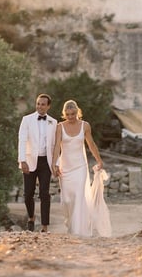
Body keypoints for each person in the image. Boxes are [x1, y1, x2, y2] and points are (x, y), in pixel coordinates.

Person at [52, 99, 111, 237]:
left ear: (78, 112)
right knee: (67, 200)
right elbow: (56, 146)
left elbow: (91, 144)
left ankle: (77, 231)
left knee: (79, 197)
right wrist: (54, 163)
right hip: (65, 167)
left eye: (73, 114)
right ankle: (70, 224)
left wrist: (99, 160)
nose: (71, 117)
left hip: (80, 167)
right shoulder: (60, 127)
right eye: (68, 114)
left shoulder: (85, 126)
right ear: (64, 114)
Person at [17, 93, 58, 232]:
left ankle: (45, 226)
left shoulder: (53, 122)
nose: (40, 106)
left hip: (46, 161)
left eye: (43, 104)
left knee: (44, 193)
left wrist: (55, 163)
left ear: (48, 106)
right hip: (29, 160)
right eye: (38, 103)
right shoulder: (26, 119)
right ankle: (31, 217)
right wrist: (22, 160)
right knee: (28, 193)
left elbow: (55, 145)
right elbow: (22, 141)